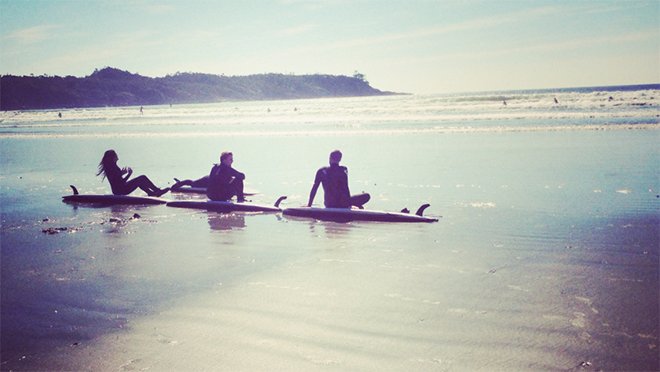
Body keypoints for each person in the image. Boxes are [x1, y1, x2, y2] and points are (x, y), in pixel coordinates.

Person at [96, 150, 169, 197]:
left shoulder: (112, 166)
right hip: (120, 191)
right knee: (142, 178)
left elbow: (119, 182)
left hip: (120, 189)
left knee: (140, 180)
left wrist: (122, 174)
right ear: (112, 157)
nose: (117, 156)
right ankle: (156, 191)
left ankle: (152, 193)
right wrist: (128, 174)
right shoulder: (112, 168)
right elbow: (119, 183)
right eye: (115, 155)